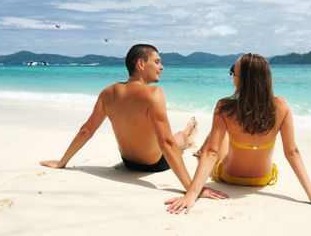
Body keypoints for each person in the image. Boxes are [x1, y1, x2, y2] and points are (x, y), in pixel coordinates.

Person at [165, 53, 311, 214]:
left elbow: (212, 153)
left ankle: (192, 144)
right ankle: (192, 142)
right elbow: (292, 152)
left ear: (241, 80)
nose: (232, 76)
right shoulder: (281, 107)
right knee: (223, 138)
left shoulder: (224, 108)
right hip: (263, 179)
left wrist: (191, 194)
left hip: (229, 176)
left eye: (233, 72)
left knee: (218, 140)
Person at [40, 44, 227, 200]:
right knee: (176, 140)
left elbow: (87, 130)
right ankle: (188, 137)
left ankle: (187, 136)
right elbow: (166, 144)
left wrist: (62, 162)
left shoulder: (108, 92)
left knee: (173, 138)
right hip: (153, 164)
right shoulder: (154, 94)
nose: (161, 67)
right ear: (141, 64)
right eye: (157, 61)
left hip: (128, 161)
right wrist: (192, 189)